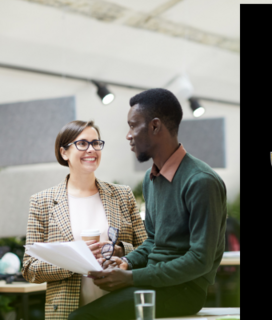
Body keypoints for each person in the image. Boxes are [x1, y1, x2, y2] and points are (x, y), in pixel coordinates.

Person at [68, 88, 227, 319]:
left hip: (184, 290)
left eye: (133, 125)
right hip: (153, 281)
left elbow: (200, 260)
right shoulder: (150, 179)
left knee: (81, 318)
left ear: (154, 126)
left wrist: (132, 277)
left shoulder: (201, 181)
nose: (128, 135)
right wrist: (125, 262)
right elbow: (153, 241)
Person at [22, 120, 148, 320]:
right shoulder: (42, 202)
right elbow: (30, 269)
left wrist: (121, 250)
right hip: (67, 313)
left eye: (96, 143)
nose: (91, 150)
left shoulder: (123, 195)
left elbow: (148, 249)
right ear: (64, 153)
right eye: (82, 144)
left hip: (121, 306)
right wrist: (74, 259)